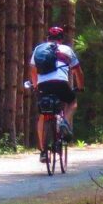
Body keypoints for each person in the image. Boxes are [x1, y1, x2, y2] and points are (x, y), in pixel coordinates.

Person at [29, 26, 85, 163]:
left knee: (43, 115)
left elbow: (33, 70)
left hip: (43, 86)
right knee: (72, 102)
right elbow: (78, 71)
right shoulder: (67, 50)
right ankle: (64, 122)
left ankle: (43, 152)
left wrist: (36, 86)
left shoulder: (39, 49)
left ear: (48, 38)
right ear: (61, 39)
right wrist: (80, 87)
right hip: (61, 84)